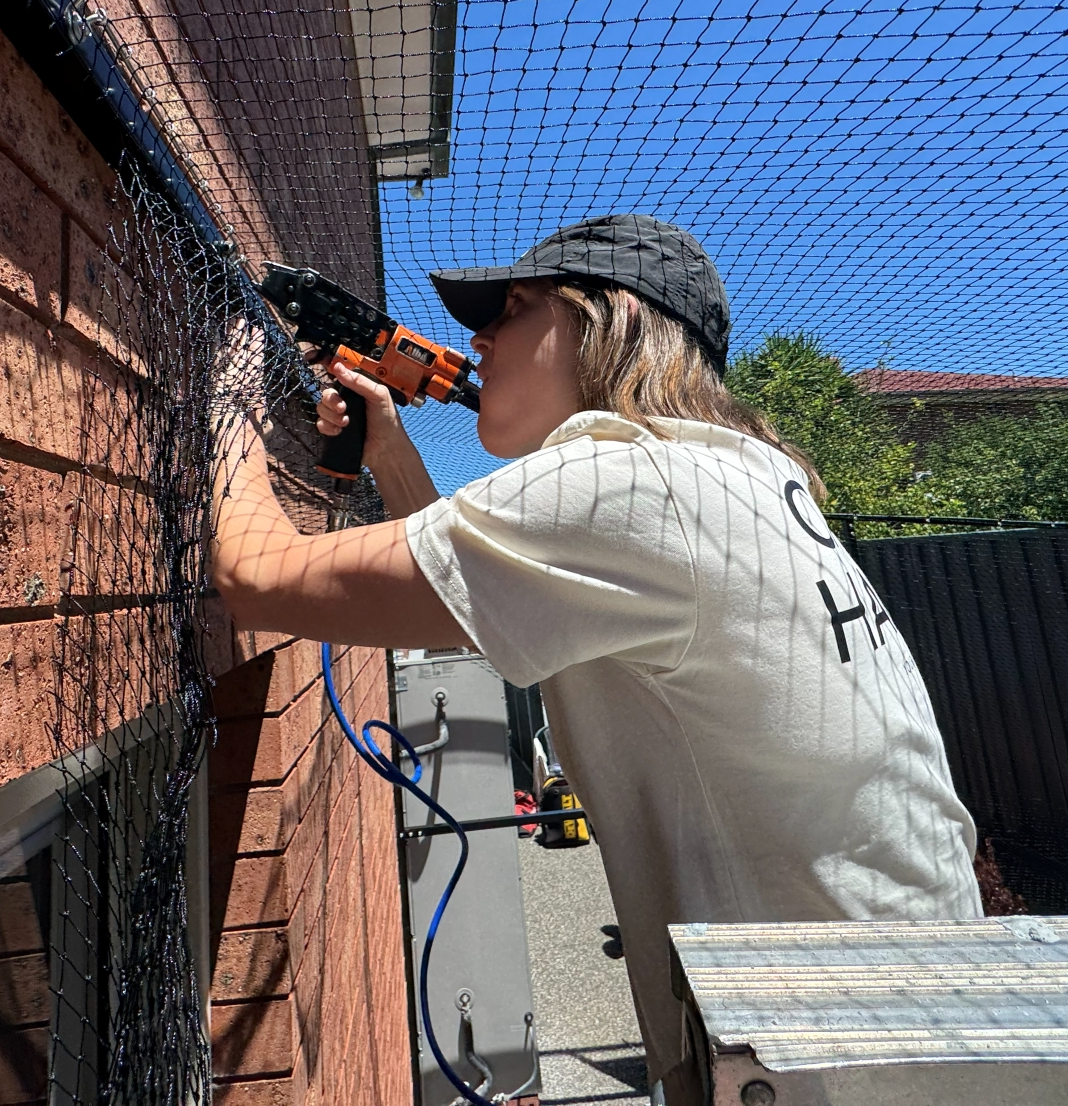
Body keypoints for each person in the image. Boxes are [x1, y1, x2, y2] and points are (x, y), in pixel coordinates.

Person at [210, 214, 982, 1095]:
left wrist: (229, 378)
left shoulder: (633, 486)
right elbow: (458, 608)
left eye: (511, 307)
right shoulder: (734, 478)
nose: (477, 336)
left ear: (604, 315)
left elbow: (255, 577)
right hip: (909, 1016)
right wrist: (387, 447)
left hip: (833, 1058)